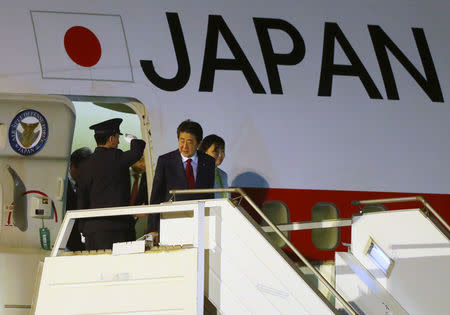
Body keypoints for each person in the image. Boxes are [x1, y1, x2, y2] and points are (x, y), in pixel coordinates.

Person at [77, 118, 146, 250]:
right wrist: (133, 140)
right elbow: (137, 151)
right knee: (122, 270)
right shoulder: (118, 158)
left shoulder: (84, 165)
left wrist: (83, 228)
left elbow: (82, 199)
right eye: (117, 137)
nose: (119, 141)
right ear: (111, 139)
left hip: (93, 231)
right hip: (119, 230)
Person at [148, 119, 215, 232]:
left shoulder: (208, 162)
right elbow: (156, 196)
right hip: (173, 221)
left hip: (200, 223)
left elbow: (209, 195)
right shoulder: (165, 161)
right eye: (181, 140)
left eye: (189, 142)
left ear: (199, 143)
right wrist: (153, 229)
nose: (184, 146)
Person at [65, 147, 92, 251]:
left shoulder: (85, 183)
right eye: (82, 171)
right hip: (68, 241)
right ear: (71, 166)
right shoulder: (63, 185)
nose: (85, 175)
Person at [198, 134, 228, 198]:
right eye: (215, 151)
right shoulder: (196, 172)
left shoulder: (223, 175)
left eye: (222, 151)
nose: (220, 155)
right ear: (204, 152)